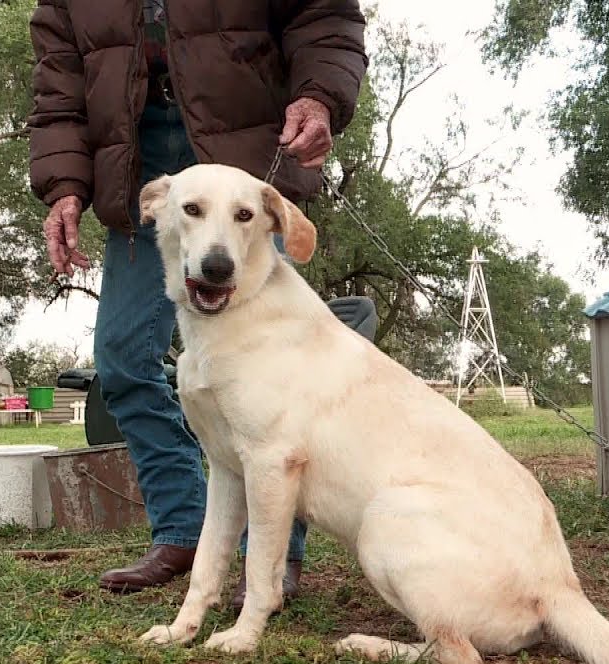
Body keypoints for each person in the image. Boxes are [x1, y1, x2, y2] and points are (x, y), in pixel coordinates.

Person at [27, 0, 367, 605]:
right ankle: (183, 530)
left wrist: (318, 96)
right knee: (123, 356)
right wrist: (64, 186)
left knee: (269, 376)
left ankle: (270, 558)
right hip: (130, 150)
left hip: (240, 135)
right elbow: (59, 78)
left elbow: (322, 15)